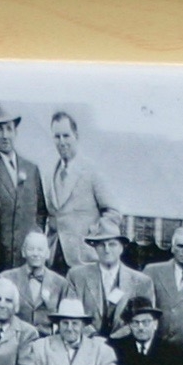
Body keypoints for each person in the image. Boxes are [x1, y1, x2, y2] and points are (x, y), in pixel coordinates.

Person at [41, 111, 114, 267]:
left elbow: (113, 212)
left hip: (84, 259)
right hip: (53, 257)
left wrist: (94, 234)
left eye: (66, 136)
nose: (62, 142)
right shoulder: (49, 173)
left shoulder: (92, 171)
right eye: (57, 137)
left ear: (76, 136)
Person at [0, 105, 45, 261]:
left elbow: (41, 212)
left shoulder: (31, 169)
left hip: (26, 257)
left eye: (9, 129)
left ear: (16, 132)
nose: (5, 135)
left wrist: (33, 240)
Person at [62, 227, 152, 329]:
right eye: (101, 245)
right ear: (95, 248)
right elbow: (70, 314)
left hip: (124, 338)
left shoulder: (141, 281)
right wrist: (91, 335)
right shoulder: (77, 276)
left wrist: (119, 336)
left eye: (112, 244)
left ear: (121, 248)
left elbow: (145, 319)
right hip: (87, 337)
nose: (107, 250)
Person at [0, 230, 71, 331]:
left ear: (48, 253)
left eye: (40, 250)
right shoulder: (6, 278)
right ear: (23, 252)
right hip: (15, 336)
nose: (35, 254)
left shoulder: (61, 283)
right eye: (31, 249)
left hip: (46, 338)